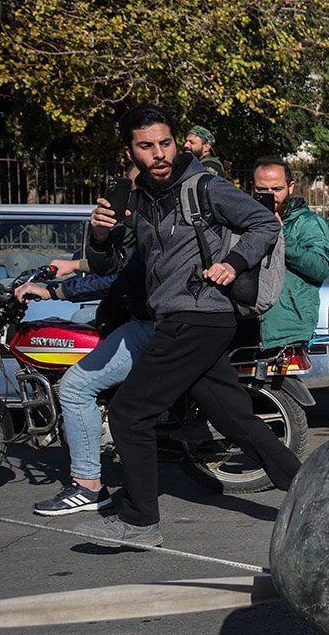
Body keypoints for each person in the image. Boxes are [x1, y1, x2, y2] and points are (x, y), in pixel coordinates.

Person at [75, 104, 300, 546]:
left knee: (129, 412)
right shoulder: (137, 200)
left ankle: (140, 521)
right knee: (236, 421)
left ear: (177, 143)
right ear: (131, 152)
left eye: (165, 143)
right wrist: (99, 236)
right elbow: (113, 262)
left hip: (198, 315)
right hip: (183, 318)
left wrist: (233, 264)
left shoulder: (205, 187)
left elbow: (263, 225)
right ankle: (317, 491)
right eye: (147, 146)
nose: (159, 153)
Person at [15, 246, 152, 516]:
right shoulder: (149, 212)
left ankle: (88, 486)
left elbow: (123, 277)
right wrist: (76, 265)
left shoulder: (146, 211)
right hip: (143, 315)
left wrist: (55, 291)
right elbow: (123, 261)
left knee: (75, 387)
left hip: (148, 322)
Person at [249, 157, 329, 351]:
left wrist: (281, 234)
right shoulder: (245, 220)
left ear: (290, 187)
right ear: (253, 188)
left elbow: (320, 268)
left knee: (286, 381)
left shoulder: (309, 223)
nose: (271, 195)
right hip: (248, 320)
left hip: (287, 324)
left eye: (277, 189)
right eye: (262, 190)